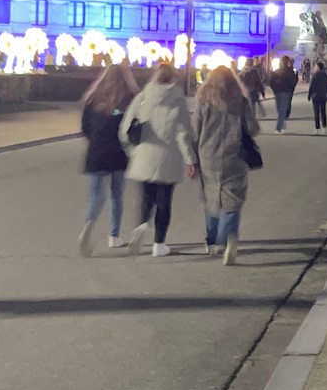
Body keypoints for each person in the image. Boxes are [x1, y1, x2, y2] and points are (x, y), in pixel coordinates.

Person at [121, 62, 199, 257]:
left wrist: (132, 150)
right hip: (167, 157)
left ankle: (141, 227)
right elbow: (182, 134)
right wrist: (190, 160)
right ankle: (159, 244)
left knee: (146, 198)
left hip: (143, 156)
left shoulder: (143, 97)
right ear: (173, 78)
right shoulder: (177, 100)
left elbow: (125, 128)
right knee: (164, 202)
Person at [191, 66, 261, 265]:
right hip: (234, 155)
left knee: (210, 198)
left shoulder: (203, 103)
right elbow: (253, 128)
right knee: (233, 199)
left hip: (208, 157)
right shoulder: (241, 102)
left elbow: (194, 132)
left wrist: (192, 159)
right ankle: (227, 238)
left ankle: (212, 241)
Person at [78, 65, 138, 254]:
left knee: (96, 196)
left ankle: (89, 224)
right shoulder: (128, 99)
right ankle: (114, 235)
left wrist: (95, 139)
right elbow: (133, 126)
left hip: (96, 152)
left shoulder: (92, 99)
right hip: (119, 152)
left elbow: (85, 127)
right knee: (117, 195)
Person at [269, 56, 298, 133]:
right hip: (286, 91)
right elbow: (294, 80)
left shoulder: (277, 71)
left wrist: (274, 89)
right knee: (281, 110)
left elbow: (271, 81)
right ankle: (282, 126)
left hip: (279, 91)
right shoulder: (290, 71)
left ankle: (278, 128)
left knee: (280, 110)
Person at [308, 61, 327, 132]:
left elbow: (311, 85)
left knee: (316, 112)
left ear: (318, 67)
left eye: (315, 66)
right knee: (323, 111)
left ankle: (317, 128)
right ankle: (325, 127)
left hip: (315, 95)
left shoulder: (315, 75)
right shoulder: (325, 75)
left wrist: (309, 95)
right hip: (323, 95)